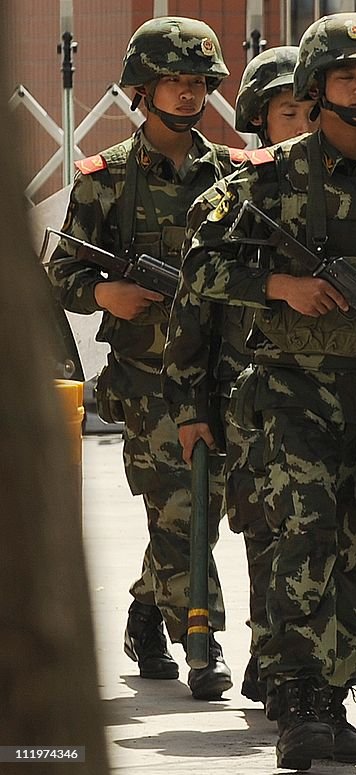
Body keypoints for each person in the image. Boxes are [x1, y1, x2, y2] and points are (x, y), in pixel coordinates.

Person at [180, 12, 356, 771]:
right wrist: (280, 285)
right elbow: (199, 269)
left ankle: (335, 694)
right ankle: (296, 695)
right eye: (346, 75)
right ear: (316, 85)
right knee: (306, 537)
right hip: (292, 392)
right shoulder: (266, 177)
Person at [47, 16, 240, 700]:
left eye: (198, 84)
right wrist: (107, 291)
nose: (189, 96)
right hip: (145, 378)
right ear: (141, 89)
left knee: (197, 511)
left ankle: (143, 605)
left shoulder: (230, 176)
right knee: (182, 508)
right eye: (174, 83)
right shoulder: (107, 181)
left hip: (220, 374)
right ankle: (203, 642)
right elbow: (61, 273)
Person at [162, 44, 316, 712]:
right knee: (262, 531)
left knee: (310, 535)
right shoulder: (236, 199)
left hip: (321, 397)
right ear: (261, 118)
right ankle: (267, 652)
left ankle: (289, 663)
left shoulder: (355, 188)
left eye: (312, 108)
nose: (306, 121)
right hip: (242, 397)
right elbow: (193, 312)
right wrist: (193, 402)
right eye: (291, 111)